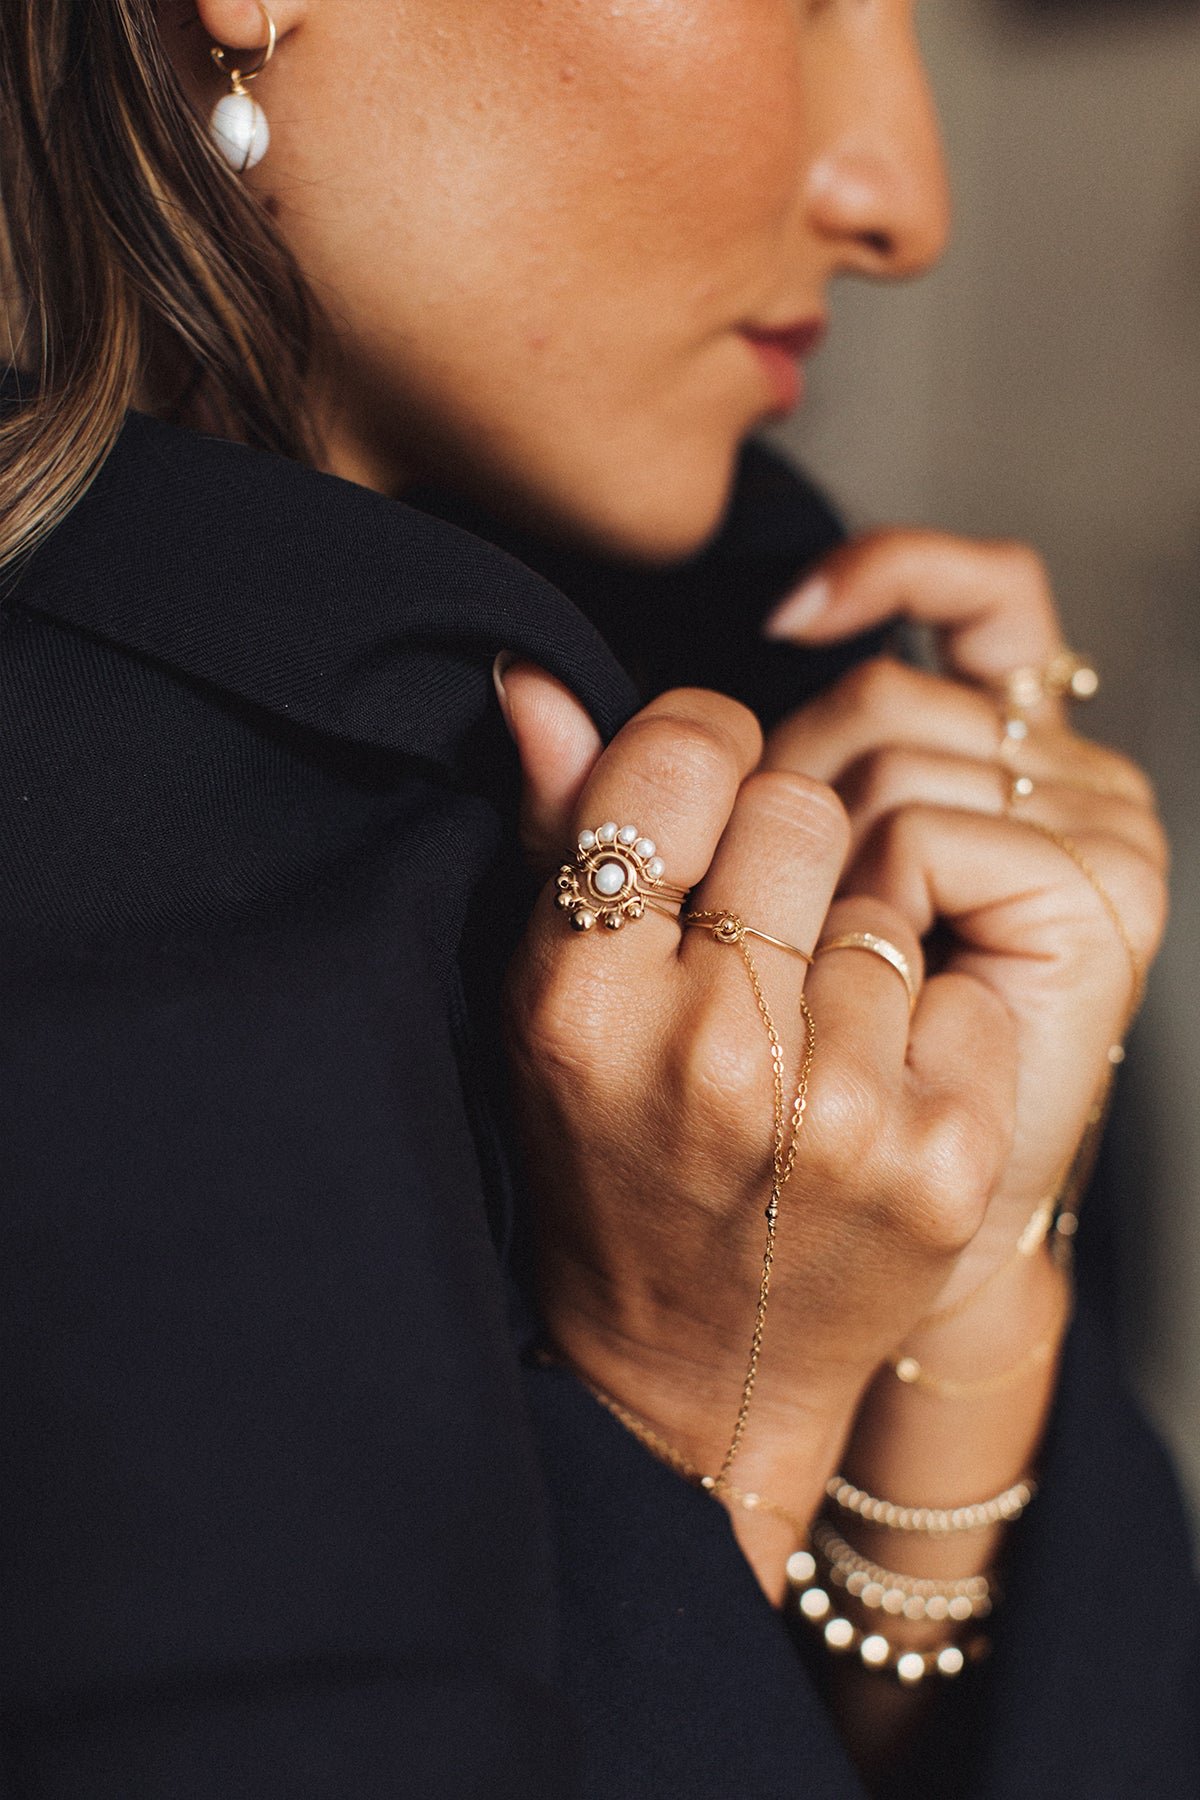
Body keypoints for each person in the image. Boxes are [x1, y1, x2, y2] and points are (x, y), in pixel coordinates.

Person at [0, 2, 1195, 1795]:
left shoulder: (815, 695)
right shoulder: (94, 943)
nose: (903, 202)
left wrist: (961, 1291)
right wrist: (706, 1424)